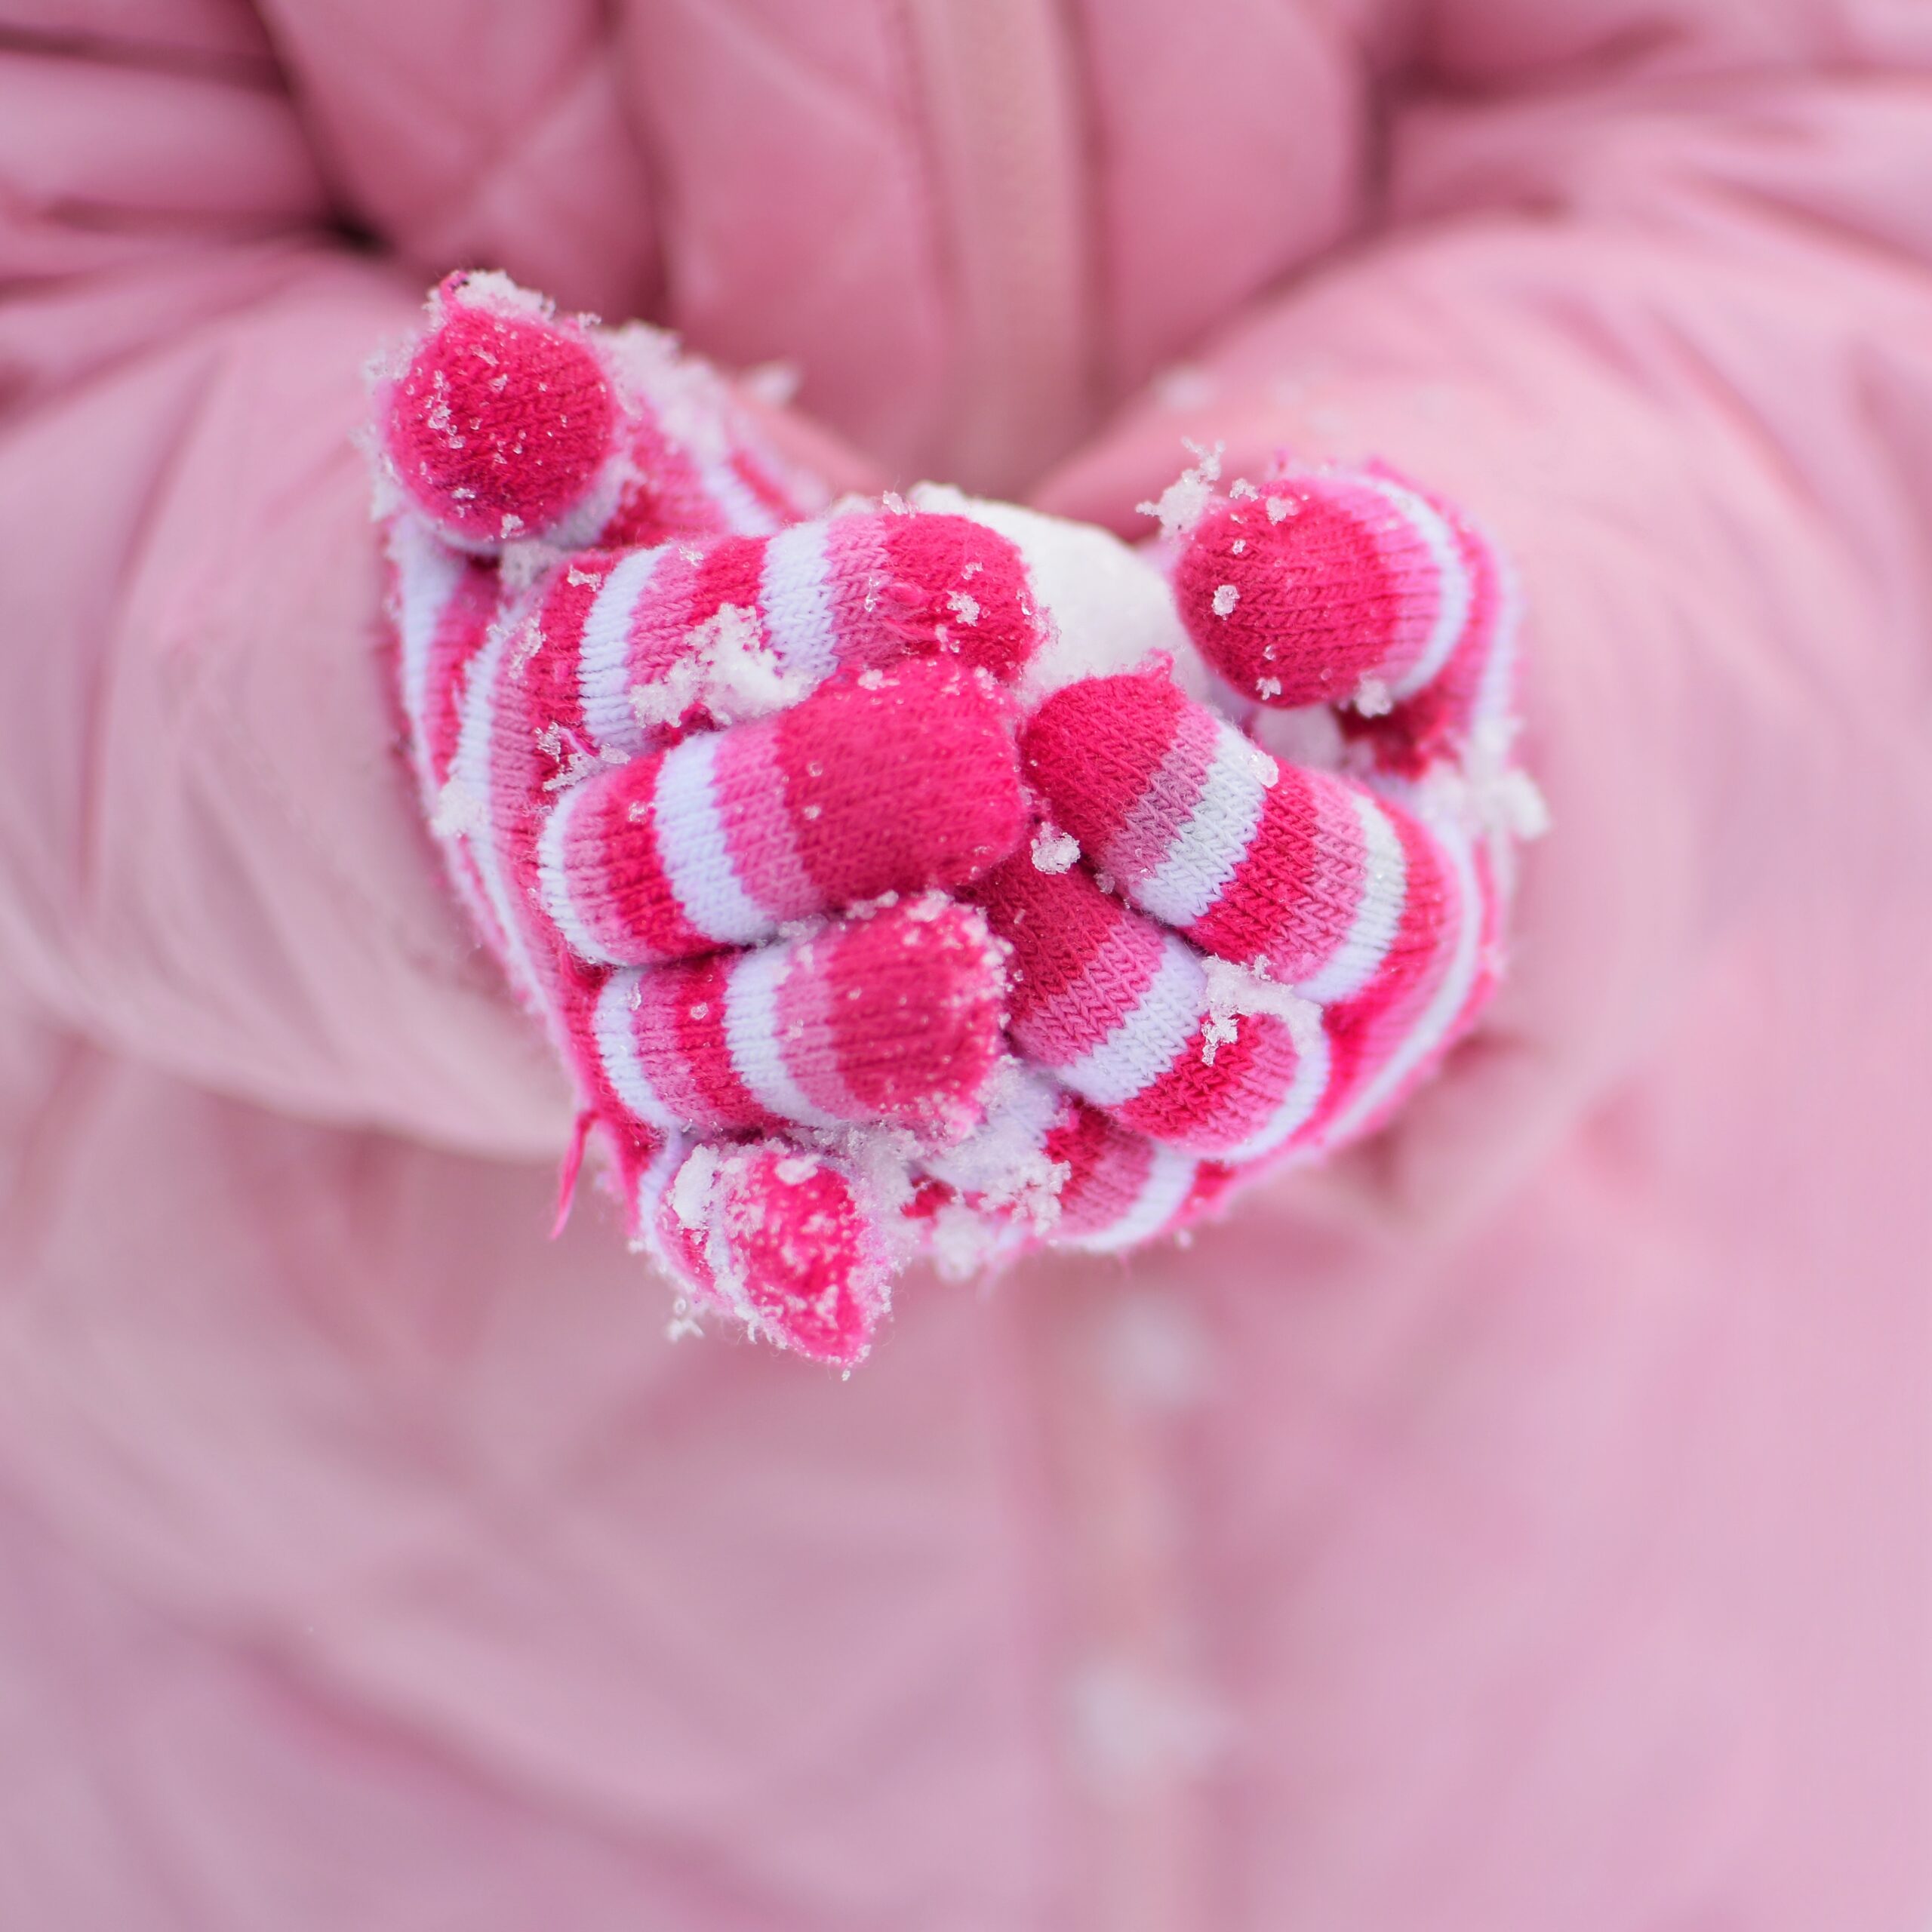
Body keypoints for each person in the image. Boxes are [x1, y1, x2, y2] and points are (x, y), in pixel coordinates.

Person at [0, 3, 1927, 1924]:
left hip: (1588, 1493)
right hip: (378, 1633)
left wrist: (1503, 671)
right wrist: (436, 712)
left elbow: (1817, 163)